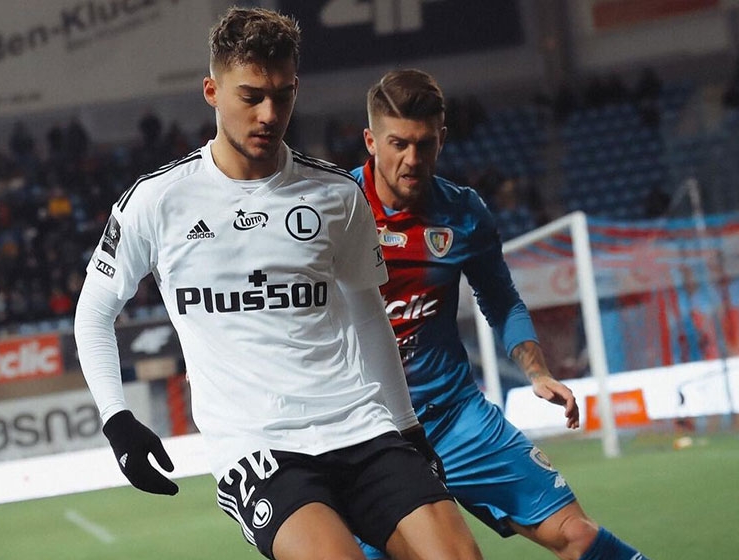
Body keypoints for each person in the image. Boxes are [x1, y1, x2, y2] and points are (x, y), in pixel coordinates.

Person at [73, 8, 483, 560]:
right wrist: (118, 420)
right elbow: (94, 314)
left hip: (360, 426)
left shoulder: (336, 195)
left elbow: (368, 315)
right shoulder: (157, 200)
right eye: (251, 97)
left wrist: (408, 431)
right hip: (258, 447)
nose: (269, 114)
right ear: (212, 92)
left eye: (283, 96)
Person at [352, 69, 651, 560]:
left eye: (424, 144)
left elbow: (501, 299)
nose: (412, 159)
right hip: (371, 438)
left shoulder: (463, 213)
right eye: (398, 144)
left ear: (442, 139)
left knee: (577, 534)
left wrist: (538, 372)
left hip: (455, 417)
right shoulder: (334, 211)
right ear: (371, 141)